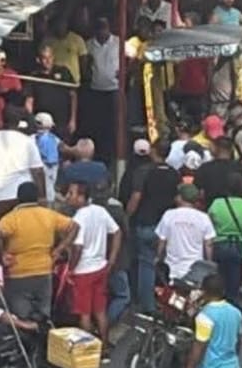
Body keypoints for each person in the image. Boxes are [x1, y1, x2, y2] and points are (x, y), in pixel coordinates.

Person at [0, 181, 75, 320]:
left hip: (18, 274)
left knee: (22, 317)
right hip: (44, 272)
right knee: (43, 315)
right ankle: (42, 339)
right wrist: (60, 248)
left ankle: (25, 341)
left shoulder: (12, 218)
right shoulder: (48, 214)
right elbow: (74, 226)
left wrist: (3, 254)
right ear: (36, 197)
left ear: (18, 198)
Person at [0, 105, 46, 238]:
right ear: (19, 123)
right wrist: (42, 197)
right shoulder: (27, 142)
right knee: (17, 238)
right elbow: (38, 171)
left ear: (2, 119)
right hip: (17, 198)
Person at [64, 180, 120, 353]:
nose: (67, 197)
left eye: (71, 193)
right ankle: (104, 346)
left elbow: (78, 247)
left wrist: (70, 270)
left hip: (83, 271)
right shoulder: (100, 211)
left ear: (81, 197)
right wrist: (111, 259)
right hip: (100, 268)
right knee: (100, 311)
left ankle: (88, 350)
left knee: (84, 314)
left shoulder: (79, 217)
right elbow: (117, 232)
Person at [126, 139, 180, 310]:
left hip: (146, 222)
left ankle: (147, 305)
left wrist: (127, 217)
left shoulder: (144, 171)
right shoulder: (174, 174)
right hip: (166, 225)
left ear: (153, 151)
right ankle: (167, 302)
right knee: (166, 263)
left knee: (146, 264)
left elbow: (136, 196)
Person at [206, 176, 242, 306]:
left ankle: (220, 301)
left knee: (220, 275)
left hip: (220, 243)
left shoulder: (217, 203)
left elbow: (209, 224)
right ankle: (234, 303)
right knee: (237, 277)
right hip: (241, 244)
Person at [81, 16, 121, 164]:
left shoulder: (118, 42)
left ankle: (110, 158)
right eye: (99, 27)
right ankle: (96, 156)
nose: (102, 30)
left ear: (109, 27)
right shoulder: (89, 44)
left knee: (113, 126)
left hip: (114, 90)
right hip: (95, 91)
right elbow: (85, 66)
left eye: (104, 26)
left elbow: (132, 60)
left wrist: (125, 73)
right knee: (96, 126)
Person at [156, 184, 216, 281]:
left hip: (172, 267)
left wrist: (158, 257)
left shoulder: (169, 215)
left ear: (180, 198)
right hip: (196, 268)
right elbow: (209, 244)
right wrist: (209, 262)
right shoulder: (203, 218)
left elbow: (162, 240)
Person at [24, 42, 77, 141]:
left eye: (50, 57)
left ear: (53, 57)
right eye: (44, 58)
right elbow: (29, 102)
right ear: (38, 60)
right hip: (42, 124)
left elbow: (73, 96)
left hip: (62, 123)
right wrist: (31, 122)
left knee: (63, 152)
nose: (48, 61)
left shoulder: (64, 71)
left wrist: (73, 120)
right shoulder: (33, 76)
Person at [104, 183, 133, 330]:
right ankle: (107, 323)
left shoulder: (90, 211)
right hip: (117, 261)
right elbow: (126, 232)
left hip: (97, 260)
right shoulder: (117, 211)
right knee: (123, 296)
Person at [30, 112, 62, 201]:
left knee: (47, 185)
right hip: (49, 165)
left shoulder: (32, 138)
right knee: (49, 185)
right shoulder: (52, 137)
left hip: (45, 165)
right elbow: (63, 147)